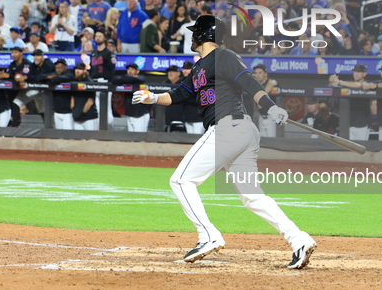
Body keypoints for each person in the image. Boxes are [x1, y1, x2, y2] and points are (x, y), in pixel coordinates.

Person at [132, 15, 316, 268]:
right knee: (253, 197)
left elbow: (250, 83)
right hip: (239, 131)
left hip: (228, 128)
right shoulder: (199, 66)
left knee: (181, 180)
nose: (192, 36)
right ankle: (299, 240)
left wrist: (271, 108)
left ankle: (208, 235)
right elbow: (178, 95)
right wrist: (151, 97)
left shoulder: (224, 56)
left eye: (195, 32)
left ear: (205, 35)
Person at [329, 64, 371, 140]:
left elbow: (358, 85)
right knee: (349, 149)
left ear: (364, 74)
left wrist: (339, 81)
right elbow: (334, 88)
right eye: (355, 71)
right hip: (349, 124)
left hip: (362, 124)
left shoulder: (367, 84)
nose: (356, 74)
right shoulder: (348, 85)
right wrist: (332, 82)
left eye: (359, 72)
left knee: (360, 149)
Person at [0, 46, 35, 127]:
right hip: (15, 90)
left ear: (21, 54)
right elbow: (9, 75)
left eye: (16, 52)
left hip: (28, 90)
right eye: (12, 52)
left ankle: (18, 125)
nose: (13, 54)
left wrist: (15, 76)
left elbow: (25, 76)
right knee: (12, 106)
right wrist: (5, 75)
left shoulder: (27, 64)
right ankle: (14, 125)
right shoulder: (12, 64)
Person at [91, 30, 117, 127]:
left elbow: (112, 67)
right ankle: (99, 131)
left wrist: (109, 82)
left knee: (106, 108)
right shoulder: (93, 53)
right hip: (94, 82)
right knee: (97, 108)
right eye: (96, 36)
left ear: (104, 38)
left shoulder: (109, 53)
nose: (97, 38)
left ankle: (109, 129)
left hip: (104, 81)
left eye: (100, 36)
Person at [117, 63, 150, 132]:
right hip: (130, 115)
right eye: (128, 69)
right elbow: (114, 80)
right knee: (132, 140)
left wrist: (125, 78)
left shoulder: (141, 79)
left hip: (140, 115)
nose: (130, 71)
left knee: (139, 139)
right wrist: (125, 79)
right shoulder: (126, 81)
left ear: (137, 71)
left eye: (132, 69)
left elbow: (140, 78)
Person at [42, 58, 74, 130]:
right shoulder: (54, 74)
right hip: (57, 111)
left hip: (67, 112)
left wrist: (52, 79)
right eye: (57, 68)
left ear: (65, 67)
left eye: (61, 67)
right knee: (59, 135)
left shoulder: (69, 74)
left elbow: (57, 79)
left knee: (68, 134)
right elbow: (39, 77)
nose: (58, 69)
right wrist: (47, 77)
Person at [253, 64, 279, 138]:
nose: (257, 75)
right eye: (256, 73)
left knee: (271, 141)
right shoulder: (256, 84)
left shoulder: (270, 82)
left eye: (260, 72)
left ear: (266, 74)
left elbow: (273, 82)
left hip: (271, 117)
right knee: (263, 142)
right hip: (261, 117)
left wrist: (261, 98)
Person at [71, 63, 98, 131]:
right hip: (76, 118)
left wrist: (82, 112)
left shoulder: (89, 82)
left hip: (89, 118)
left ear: (85, 70)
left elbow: (90, 101)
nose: (77, 71)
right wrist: (74, 111)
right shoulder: (74, 81)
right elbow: (72, 97)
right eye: (76, 69)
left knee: (92, 140)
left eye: (80, 69)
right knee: (78, 140)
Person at [181, 61, 204, 134]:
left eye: (187, 69)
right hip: (188, 117)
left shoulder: (199, 81)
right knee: (189, 142)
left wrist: (185, 97)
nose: (185, 71)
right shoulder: (183, 81)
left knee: (197, 141)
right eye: (184, 69)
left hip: (198, 118)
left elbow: (200, 99)